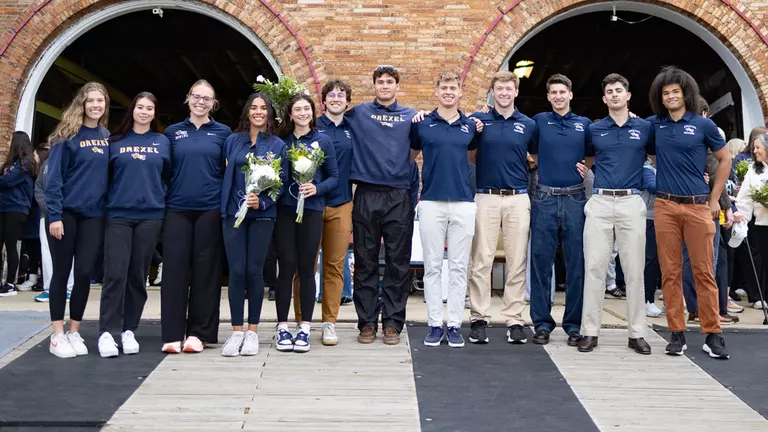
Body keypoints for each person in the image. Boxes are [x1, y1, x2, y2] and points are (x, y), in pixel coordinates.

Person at [648, 66, 731, 359]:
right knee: (670, 273)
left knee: (703, 272)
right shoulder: (654, 126)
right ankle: (676, 333)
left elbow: (724, 160)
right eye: (666, 92)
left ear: (685, 94)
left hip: (698, 205)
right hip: (665, 206)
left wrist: (715, 199)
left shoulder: (703, 125)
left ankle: (712, 334)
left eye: (675, 91)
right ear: (660, 97)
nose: (670, 96)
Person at [577, 74, 653, 354]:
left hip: (631, 202)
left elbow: (658, 159)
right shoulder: (595, 130)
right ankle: (590, 331)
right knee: (595, 267)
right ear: (604, 98)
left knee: (634, 269)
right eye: (609, 91)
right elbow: (585, 160)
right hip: (600, 201)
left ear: (628, 95)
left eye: (619, 90)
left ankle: (636, 333)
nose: (614, 95)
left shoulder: (645, 128)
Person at [345, 65, 417, 345]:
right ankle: (366, 323)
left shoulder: (412, 116)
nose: (385, 86)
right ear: (374, 86)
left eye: (390, 82)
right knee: (365, 260)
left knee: (398, 262)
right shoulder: (360, 112)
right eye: (380, 82)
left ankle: (392, 323)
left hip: (399, 195)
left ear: (397, 86)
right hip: (366, 192)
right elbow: (332, 119)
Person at [97, 92, 170, 358]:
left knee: (138, 276)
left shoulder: (162, 142)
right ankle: (107, 331)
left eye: (149, 108)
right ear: (132, 110)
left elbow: (168, 177)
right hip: (118, 214)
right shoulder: (114, 141)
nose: (144, 112)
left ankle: (129, 330)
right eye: (140, 107)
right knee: (115, 273)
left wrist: (158, 196)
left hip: (150, 216)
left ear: (154, 113)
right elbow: (104, 178)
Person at [161, 80, 232, 353]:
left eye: (207, 99)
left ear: (213, 104)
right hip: (177, 209)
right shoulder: (172, 132)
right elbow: (164, 170)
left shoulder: (223, 133)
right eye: (196, 97)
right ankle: (172, 334)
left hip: (210, 210)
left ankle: (198, 334)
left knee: (207, 273)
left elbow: (230, 170)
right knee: (175, 272)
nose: (201, 102)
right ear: (188, 98)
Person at [466, 71, 536, 345]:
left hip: (518, 197)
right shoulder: (479, 121)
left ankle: (514, 319)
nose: (504, 93)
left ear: (516, 92)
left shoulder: (528, 124)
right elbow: (471, 156)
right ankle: (479, 317)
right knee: (481, 259)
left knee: (517, 260)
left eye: (509, 88)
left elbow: (536, 157)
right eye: (499, 89)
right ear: (492, 92)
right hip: (486, 196)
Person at [410, 72, 478, 348]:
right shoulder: (422, 123)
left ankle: (454, 325)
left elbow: (473, 158)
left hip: (463, 202)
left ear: (460, 93)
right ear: (436, 91)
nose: (449, 92)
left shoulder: (472, 126)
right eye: (444, 88)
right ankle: (435, 324)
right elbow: (409, 158)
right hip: (431, 202)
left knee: (460, 267)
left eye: (453, 88)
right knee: (433, 265)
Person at [45, 82, 110, 358]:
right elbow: (54, 179)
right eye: (91, 100)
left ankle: (74, 330)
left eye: (100, 101)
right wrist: (55, 215)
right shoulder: (66, 136)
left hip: (93, 216)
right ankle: (57, 334)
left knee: (84, 274)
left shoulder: (107, 136)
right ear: (81, 104)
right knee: (62, 273)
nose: (96, 105)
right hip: (66, 215)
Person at [219, 93, 287, 357]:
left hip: (262, 216)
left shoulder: (277, 145)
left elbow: (281, 183)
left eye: (264, 108)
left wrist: (264, 202)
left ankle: (252, 332)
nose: (258, 112)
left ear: (269, 114)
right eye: (254, 108)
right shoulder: (232, 141)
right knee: (236, 271)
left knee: (254, 271)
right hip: (232, 213)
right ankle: (236, 331)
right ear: (247, 111)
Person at [528, 74, 591, 346]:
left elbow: (592, 154)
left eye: (562, 91)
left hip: (576, 199)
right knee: (541, 262)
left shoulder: (584, 125)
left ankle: (573, 325)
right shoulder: (539, 122)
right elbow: (533, 153)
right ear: (548, 96)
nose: (558, 96)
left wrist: (584, 168)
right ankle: (542, 324)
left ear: (570, 94)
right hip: (544, 198)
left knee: (576, 263)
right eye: (553, 92)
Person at [273, 94, 338, 353]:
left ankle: (305, 328)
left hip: (311, 210)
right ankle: (281, 326)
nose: (302, 113)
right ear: (290, 114)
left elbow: (334, 176)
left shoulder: (323, 141)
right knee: (286, 266)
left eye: (306, 109)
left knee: (307, 267)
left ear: (313, 113)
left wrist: (317, 187)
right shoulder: (282, 141)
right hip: (285, 212)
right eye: (297, 109)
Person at [314, 79, 355, 345]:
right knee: (304, 266)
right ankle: (302, 321)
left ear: (347, 102)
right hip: (311, 204)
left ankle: (329, 323)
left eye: (341, 95)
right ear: (324, 100)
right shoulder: (313, 125)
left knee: (334, 266)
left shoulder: (355, 128)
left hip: (342, 203)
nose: (336, 98)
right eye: (331, 94)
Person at [33, 145, 74, 303]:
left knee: (69, 253)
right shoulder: (45, 165)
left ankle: (69, 288)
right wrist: (49, 207)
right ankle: (49, 288)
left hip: (67, 215)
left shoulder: (71, 162)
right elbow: (38, 188)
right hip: (47, 216)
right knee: (47, 253)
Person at [0, 131, 37, 297]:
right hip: (4, 207)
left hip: (17, 208)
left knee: (10, 245)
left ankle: (9, 284)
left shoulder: (26, 163)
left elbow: (7, 181)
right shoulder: (13, 163)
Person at [734, 133, 768, 310]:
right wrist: (740, 218)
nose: (754, 151)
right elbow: (744, 198)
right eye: (754, 148)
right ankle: (763, 298)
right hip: (762, 225)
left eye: (758, 148)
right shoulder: (753, 171)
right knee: (763, 263)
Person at [641, 157, 664, 317]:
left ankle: (649, 299)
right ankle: (646, 300)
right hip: (649, 218)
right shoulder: (647, 168)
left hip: (660, 218)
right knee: (650, 261)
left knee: (656, 261)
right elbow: (651, 186)